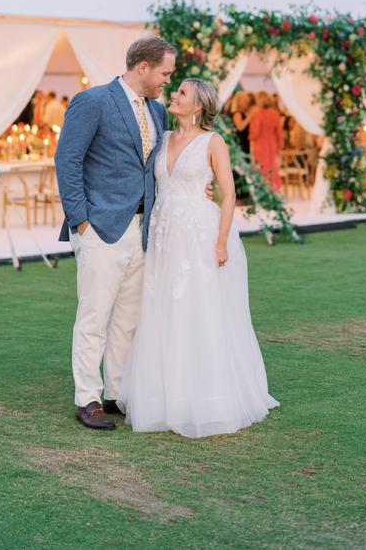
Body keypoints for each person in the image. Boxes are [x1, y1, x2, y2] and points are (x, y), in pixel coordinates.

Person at [118, 78, 279, 437]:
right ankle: (164, 396)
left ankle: (207, 396)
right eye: (174, 91)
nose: (173, 96)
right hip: (164, 233)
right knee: (162, 308)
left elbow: (229, 192)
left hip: (199, 235)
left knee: (199, 308)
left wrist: (221, 243)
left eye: (182, 94)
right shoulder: (163, 138)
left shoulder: (213, 141)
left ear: (199, 106)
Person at [55, 37, 177, 430]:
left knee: (128, 318)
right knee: (94, 315)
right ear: (143, 67)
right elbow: (67, 160)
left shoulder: (157, 111)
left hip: (143, 230)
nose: (167, 82)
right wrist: (81, 221)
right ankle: (86, 397)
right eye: (164, 73)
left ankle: (116, 393)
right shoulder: (93, 102)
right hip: (101, 227)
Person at [249, 91, 284, 191]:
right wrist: (280, 147)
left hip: (260, 145)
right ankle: (273, 190)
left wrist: (251, 137)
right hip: (273, 144)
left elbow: (254, 133)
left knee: (261, 168)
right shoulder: (275, 114)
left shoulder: (257, 114)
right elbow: (279, 133)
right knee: (272, 167)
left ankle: (262, 191)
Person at [231, 90, 255, 155]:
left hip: (244, 143)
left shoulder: (243, 113)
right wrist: (249, 117)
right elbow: (240, 127)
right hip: (240, 144)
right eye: (245, 101)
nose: (247, 103)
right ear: (239, 102)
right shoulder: (237, 114)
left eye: (247, 101)